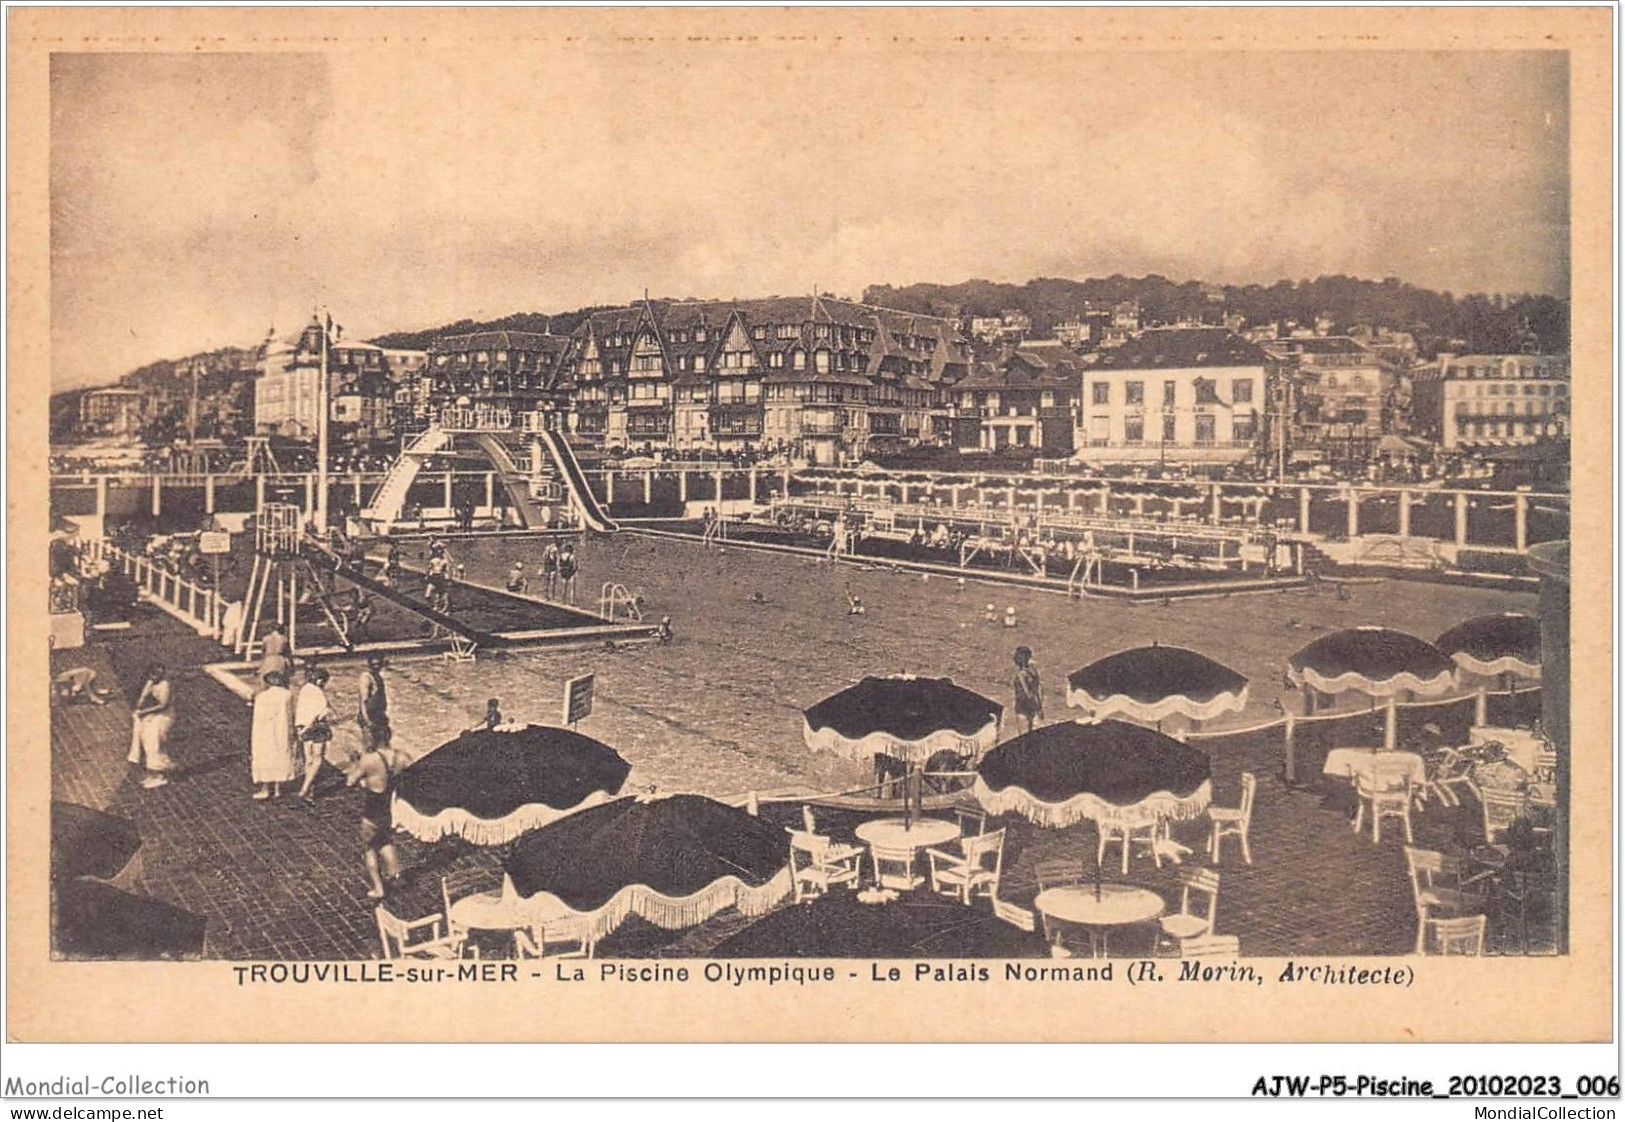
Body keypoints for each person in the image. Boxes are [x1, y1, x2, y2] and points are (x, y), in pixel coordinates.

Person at [345, 738, 402, 900]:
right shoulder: (396, 757)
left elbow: (350, 781)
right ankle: (395, 875)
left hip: (372, 811)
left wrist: (355, 763)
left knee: (369, 849)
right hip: (388, 810)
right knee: (386, 841)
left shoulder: (370, 760)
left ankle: (379, 888)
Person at [127, 664, 177, 789]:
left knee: (153, 742)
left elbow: (163, 705)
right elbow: (143, 697)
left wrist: (143, 712)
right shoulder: (151, 682)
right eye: (153, 674)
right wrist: (138, 707)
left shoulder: (165, 685)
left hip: (164, 717)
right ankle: (156, 771)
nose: (155, 677)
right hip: (154, 715)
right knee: (147, 741)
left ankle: (159, 776)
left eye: (158, 675)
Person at [251, 670, 297, 800]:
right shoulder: (288, 695)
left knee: (266, 757)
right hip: (282, 729)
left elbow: (258, 719)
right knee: (281, 754)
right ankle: (278, 788)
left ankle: (265, 788)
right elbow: (291, 714)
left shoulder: (261, 697)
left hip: (265, 732)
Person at [294, 665, 334, 803]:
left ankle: (310, 789)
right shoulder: (318, 693)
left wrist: (301, 729)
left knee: (309, 759)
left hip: (303, 727)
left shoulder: (305, 689)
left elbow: (301, 711)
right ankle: (305, 789)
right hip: (317, 728)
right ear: (320, 680)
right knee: (318, 759)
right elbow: (322, 712)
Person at [357, 654, 391, 752]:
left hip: (379, 715)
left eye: (378, 664)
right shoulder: (366, 677)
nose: (377, 666)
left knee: (384, 743)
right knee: (370, 747)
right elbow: (363, 700)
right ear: (370, 664)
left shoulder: (377, 676)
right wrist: (366, 719)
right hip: (370, 715)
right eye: (374, 664)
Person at [1012, 646, 1044, 734]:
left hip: (1023, 705)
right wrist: (1040, 707)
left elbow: (1030, 693)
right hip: (1028, 705)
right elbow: (1033, 692)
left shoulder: (1024, 673)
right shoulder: (1030, 673)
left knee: (1025, 736)